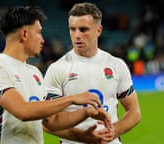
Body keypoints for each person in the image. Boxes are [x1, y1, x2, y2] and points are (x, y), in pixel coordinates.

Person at [0, 6, 111, 144]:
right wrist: (71, 99)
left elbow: (52, 121)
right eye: (39, 33)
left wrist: (86, 113)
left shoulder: (34, 73)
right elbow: (23, 111)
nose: (42, 40)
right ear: (24, 34)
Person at [43, 2, 141, 144]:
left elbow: (134, 111)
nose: (77, 35)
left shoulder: (116, 65)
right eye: (73, 29)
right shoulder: (58, 69)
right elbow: (46, 122)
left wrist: (115, 130)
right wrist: (81, 137)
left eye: (83, 29)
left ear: (98, 30)